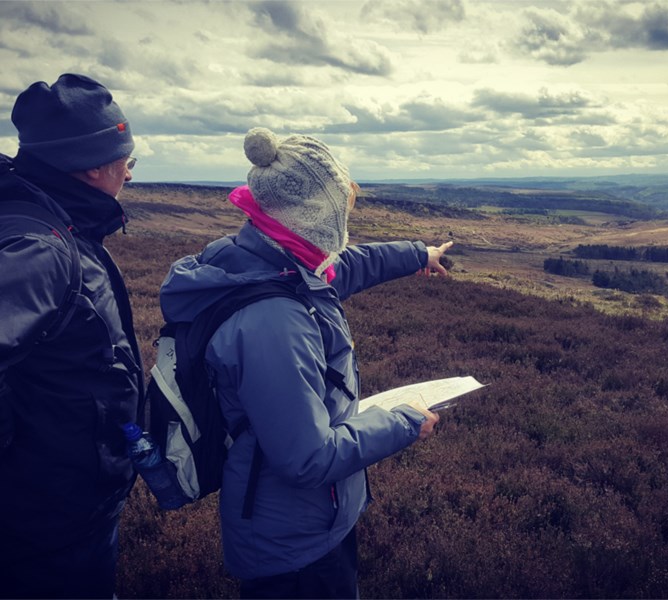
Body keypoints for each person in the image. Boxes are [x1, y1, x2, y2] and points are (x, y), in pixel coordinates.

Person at [159, 127, 451, 599]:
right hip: (294, 547)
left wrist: (418, 254)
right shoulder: (273, 320)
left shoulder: (263, 256)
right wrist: (403, 423)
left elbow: (345, 268)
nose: (347, 221)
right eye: (343, 208)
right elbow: (306, 458)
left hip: (305, 522)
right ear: (317, 216)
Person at [0, 74, 143, 599]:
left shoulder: (49, 221)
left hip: (51, 512)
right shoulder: (41, 248)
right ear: (92, 166)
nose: (129, 172)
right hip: (48, 524)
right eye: (127, 160)